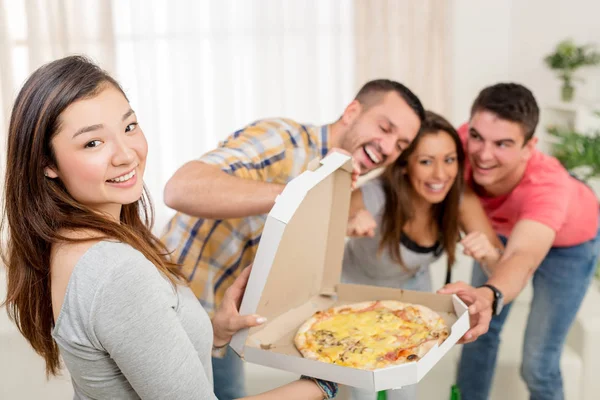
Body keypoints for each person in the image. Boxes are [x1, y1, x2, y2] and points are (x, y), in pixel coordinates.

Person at [1, 55, 338, 400]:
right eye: (93, 142)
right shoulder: (114, 270)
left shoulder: (74, 242)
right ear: (46, 163)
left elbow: (138, 355)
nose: (126, 155)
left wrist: (214, 331)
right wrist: (323, 381)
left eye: (129, 127)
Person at [161, 79, 426, 399]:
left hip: (223, 325)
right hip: (173, 311)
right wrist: (299, 195)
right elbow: (180, 188)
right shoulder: (285, 140)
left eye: (401, 145)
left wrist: (338, 222)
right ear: (352, 111)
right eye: (385, 128)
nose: (388, 147)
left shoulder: (337, 178)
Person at [439, 83, 600, 400]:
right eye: (477, 137)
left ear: (529, 146)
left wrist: (490, 292)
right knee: (477, 331)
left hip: (568, 248)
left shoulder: (548, 187)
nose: (483, 154)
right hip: (503, 229)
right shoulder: (459, 142)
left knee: (538, 363)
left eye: (503, 144)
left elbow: (522, 257)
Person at [342, 111, 503, 400]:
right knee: (364, 392)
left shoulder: (460, 198)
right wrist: (350, 221)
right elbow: (331, 219)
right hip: (357, 293)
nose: (441, 175)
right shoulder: (376, 195)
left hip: (412, 292)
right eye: (426, 161)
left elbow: (499, 264)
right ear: (404, 166)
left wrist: (489, 254)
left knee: (406, 387)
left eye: (449, 160)